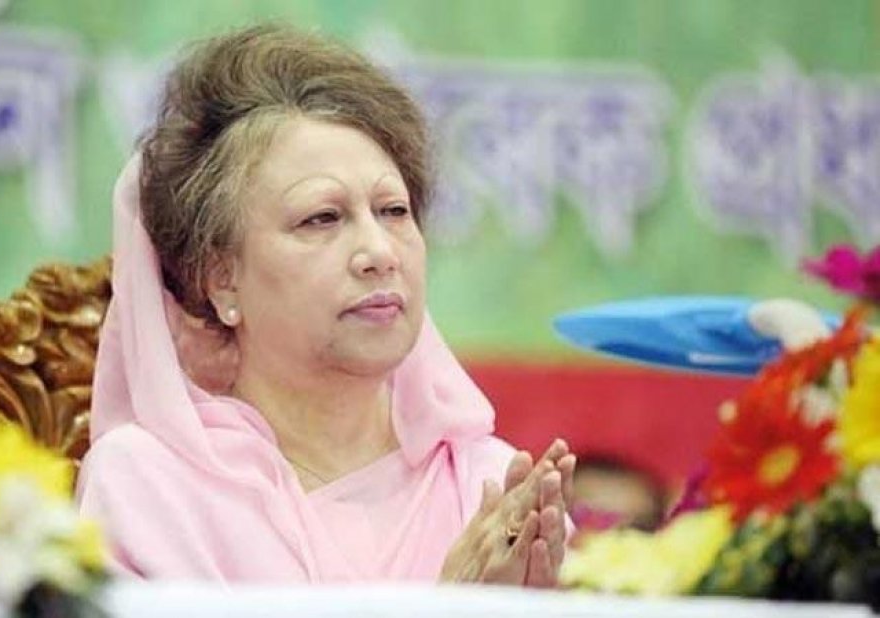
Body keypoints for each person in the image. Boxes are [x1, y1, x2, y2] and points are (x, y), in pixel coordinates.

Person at [75, 24, 577, 585]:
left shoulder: (493, 490)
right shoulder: (151, 485)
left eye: (393, 211)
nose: (379, 253)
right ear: (221, 277)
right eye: (322, 218)